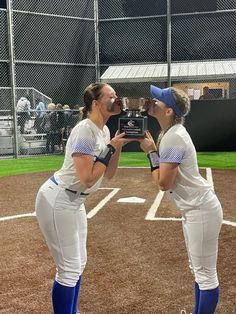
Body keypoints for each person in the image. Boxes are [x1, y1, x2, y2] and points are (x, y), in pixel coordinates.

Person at [35, 82, 132, 314]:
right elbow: (88, 178)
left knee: (79, 264)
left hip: (74, 201)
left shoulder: (104, 130)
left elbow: (108, 174)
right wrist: (110, 147)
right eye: (111, 96)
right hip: (58, 199)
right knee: (68, 268)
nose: (117, 99)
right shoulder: (84, 130)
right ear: (96, 104)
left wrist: (117, 147)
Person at [139, 85, 223, 314]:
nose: (153, 101)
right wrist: (154, 149)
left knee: (205, 275)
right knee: (198, 271)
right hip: (195, 209)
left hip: (200, 209)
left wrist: (150, 152)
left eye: (159, 101)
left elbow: (163, 183)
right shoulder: (169, 133)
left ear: (169, 111)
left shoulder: (173, 137)